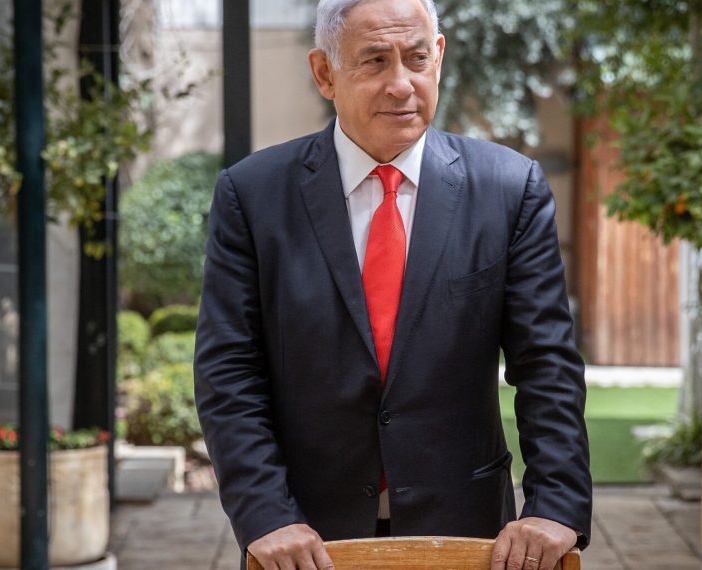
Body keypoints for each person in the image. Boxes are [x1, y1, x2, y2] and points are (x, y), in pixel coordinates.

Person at [193, 0, 591, 568]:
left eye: (416, 58)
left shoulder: (509, 189)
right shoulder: (252, 195)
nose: (400, 84)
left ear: (440, 58)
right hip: (305, 539)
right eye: (375, 61)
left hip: (466, 532)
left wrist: (556, 505)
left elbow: (546, 363)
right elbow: (228, 369)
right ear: (325, 73)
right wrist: (265, 513)